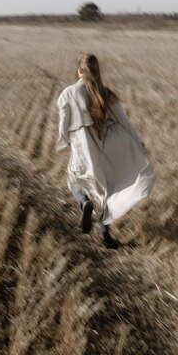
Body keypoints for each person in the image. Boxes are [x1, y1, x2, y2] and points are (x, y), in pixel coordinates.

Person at [55, 53, 154, 249]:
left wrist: (63, 143)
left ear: (80, 71)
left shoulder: (68, 93)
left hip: (83, 147)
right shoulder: (106, 93)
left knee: (75, 181)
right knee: (104, 191)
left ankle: (83, 203)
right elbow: (125, 122)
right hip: (109, 143)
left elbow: (63, 125)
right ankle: (106, 237)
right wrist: (138, 144)